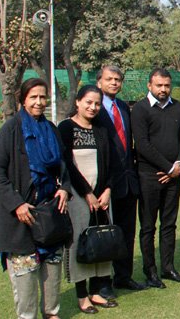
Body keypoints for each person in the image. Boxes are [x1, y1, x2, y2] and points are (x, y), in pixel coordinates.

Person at [0, 78, 70, 319]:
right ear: (22, 99)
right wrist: (17, 204)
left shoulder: (51, 130)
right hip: (19, 217)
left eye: (43, 97)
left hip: (49, 214)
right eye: (33, 97)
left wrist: (64, 188)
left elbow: (63, 166)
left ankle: (52, 313)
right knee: (24, 275)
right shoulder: (11, 129)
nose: (39, 102)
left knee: (52, 269)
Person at [59, 85, 119, 313]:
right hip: (78, 196)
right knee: (81, 243)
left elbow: (113, 163)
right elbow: (67, 166)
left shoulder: (102, 129)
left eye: (96, 103)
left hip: (102, 196)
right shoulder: (66, 128)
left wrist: (107, 190)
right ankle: (82, 295)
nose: (93, 107)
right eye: (88, 102)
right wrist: (87, 193)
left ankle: (97, 291)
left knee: (102, 241)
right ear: (77, 102)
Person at [131, 68, 180, 288]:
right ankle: (150, 272)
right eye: (159, 85)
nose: (163, 89)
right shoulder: (140, 109)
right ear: (149, 85)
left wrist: (178, 164)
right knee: (148, 227)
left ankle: (168, 268)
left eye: (166, 85)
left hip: (173, 176)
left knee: (169, 224)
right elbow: (142, 145)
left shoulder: (177, 107)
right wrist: (167, 167)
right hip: (149, 176)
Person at [94, 65, 147, 293]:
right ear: (99, 82)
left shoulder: (124, 107)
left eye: (117, 79)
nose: (114, 83)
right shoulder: (94, 108)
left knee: (126, 231)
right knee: (105, 233)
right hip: (105, 183)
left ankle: (123, 276)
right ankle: (103, 283)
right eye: (109, 79)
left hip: (128, 181)